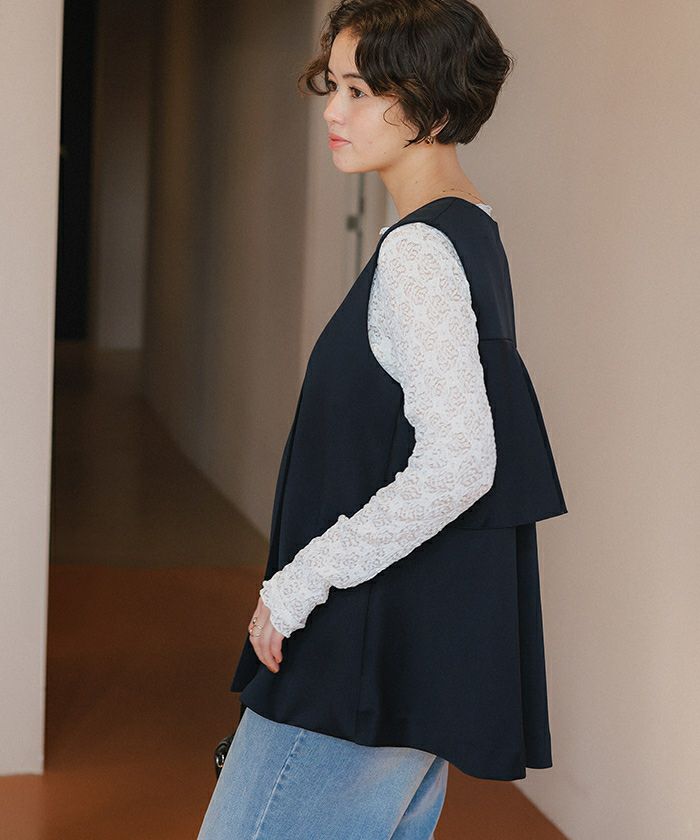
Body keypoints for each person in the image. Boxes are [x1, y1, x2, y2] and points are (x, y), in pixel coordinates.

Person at [197, 1, 568, 838]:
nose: (334, 110)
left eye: (361, 92)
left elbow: (460, 462)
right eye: (333, 85)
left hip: (360, 657)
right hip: (408, 656)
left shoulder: (419, 254)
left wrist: (296, 585)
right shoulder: (470, 235)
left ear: (432, 104)